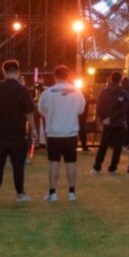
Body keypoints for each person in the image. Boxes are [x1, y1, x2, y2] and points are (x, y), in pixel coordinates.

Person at [0, 59, 35, 202]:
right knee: (18, 166)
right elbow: (29, 111)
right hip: (18, 134)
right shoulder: (22, 89)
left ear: (4, 71)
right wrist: (34, 129)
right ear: (18, 71)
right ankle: (20, 193)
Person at [38, 65, 86, 201]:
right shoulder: (77, 91)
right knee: (71, 162)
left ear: (55, 76)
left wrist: (52, 115)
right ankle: (72, 192)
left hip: (54, 132)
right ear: (68, 76)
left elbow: (41, 109)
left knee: (54, 162)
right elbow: (80, 110)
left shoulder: (48, 92)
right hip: (70, 132)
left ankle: (53, 193)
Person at [92, 71, 129, 175]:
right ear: (120, 80)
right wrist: (113, 118)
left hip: (107, 123)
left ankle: (97, 167)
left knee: (103, 146)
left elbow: (99, 106)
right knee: (117, 148)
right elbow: (124, 109)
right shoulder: (123, 93)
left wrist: (103, 118)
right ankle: (112, 168)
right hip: (119, 123)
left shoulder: (104, 92)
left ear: (110, 78)